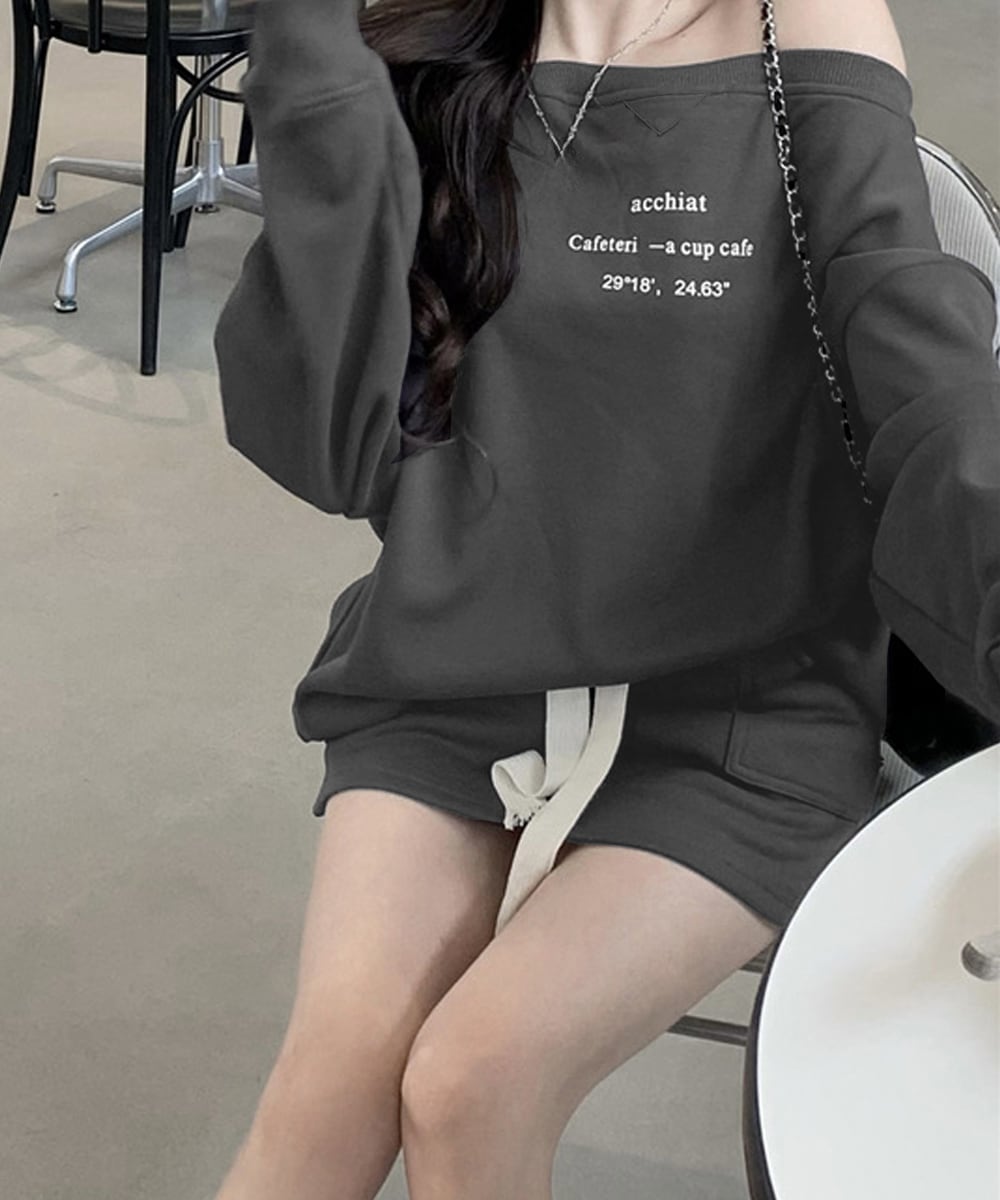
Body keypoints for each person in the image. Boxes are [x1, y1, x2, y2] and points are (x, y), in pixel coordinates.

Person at [211, 0, 1000, 1196]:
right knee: (326, 1095)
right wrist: (312, 59)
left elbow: (917, 368)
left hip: (738, 710)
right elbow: (332, 453)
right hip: (454, 669)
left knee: (470, 1082)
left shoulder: (806, 21)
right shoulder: (429, 38)